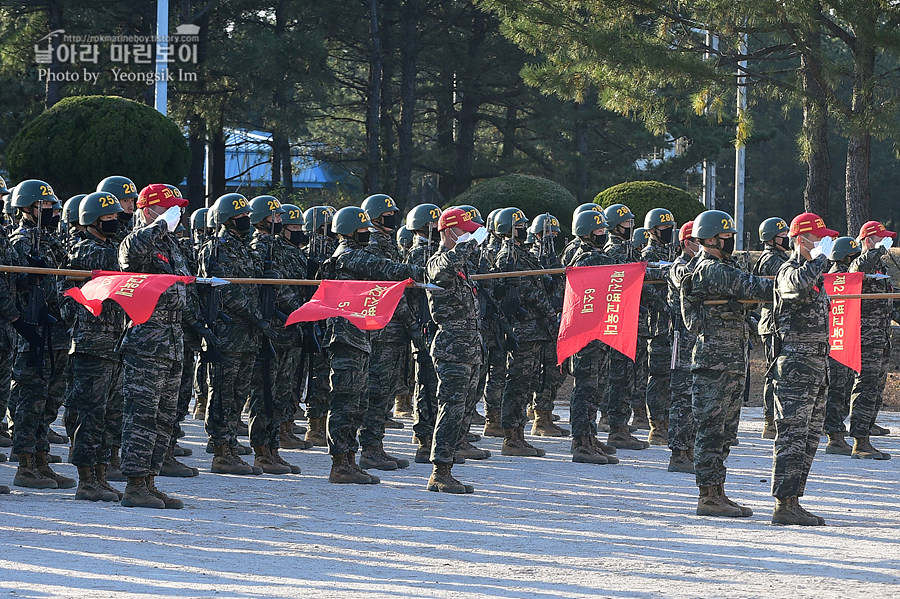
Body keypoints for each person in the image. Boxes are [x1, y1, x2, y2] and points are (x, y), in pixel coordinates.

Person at [681, 209, 772, 517]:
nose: (730, 241)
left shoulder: (723, 266)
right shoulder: (710, 268)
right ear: (709, 239)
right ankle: (706, 496)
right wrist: (792, 279)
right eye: (726, 237)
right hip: (714, 362)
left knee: (725, 431)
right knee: (710, 430)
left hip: (731, 360)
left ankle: (718, 491)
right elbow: (756, 287)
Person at [322, 206, 422, 484]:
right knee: (345, 402)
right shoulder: (349, 256)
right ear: (349, 232)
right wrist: (429, 272)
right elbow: (389, 269)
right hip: (346, 338)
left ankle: (350, 460)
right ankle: (340, 464)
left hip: (360, 337)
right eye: (363, 230)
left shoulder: (357, 255)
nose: (368, 233)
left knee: (357, 401)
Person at [117, 183, 193, 508]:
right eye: (169, 208)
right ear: (149, 210)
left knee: (164, 417)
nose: (176, 214)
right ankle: (134, 485)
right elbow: (128, 255)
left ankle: (150, 481)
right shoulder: (141, 240)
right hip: (147, 343)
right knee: (142, 416)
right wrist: (159, 225)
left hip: (172, 342)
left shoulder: (170, 245)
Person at [769, 212, 836, 526]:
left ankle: (794, 500)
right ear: (800, 239)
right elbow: (794, 286)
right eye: (818, 237)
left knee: (809, 438)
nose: (824, 242)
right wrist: (819, 260)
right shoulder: (790, 270)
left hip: (817, 365)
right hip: (796, 366)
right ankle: (783, 503)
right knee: (792, 437)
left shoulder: (816, 274)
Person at [9, 180, 74, 491]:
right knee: (31, 399)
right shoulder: (23, 241)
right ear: (27, 208)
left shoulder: (50, 240)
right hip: (32, 329)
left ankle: (42, 458)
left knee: (50, 399)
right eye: (45, 206)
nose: (52, 211)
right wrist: (27, 275)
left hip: (56, 330)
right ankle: (25, 464)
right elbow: (15, 286)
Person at [198, 193, 270, 476]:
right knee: (222, 394)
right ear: (227, 219)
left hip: (247, 335)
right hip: (228, 334)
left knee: (239, 394)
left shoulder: (245, 249)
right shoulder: (216, 249)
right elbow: (225, 291)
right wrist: (256, 316)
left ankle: (231, 444)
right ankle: (220, 451)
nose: (246, 221)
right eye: (240, 217)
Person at [66, 191, 128, 502]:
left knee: (110, 414)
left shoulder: (111, 247)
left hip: (114, 342)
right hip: (92, 344)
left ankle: (101, 474)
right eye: (108, 218)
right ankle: (86, 479)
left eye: (117, 217)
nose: (115, 222)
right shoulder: (87, 251)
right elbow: (116, 269)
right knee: (90, 415)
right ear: (91, 220)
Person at [424, 208, 488, 493]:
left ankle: (449, 464)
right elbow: (442, 272)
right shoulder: (438, 261)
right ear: (449, 231)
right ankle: (440, 471)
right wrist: (470, 244)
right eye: (465, 230)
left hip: (471, 347)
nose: (470, 234)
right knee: (451, 408)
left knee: (464, 410)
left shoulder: (464, 265)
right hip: (452, 348)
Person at [493, 207, 557, 458]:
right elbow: (524, 290)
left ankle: (519, 431)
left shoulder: (524, 254)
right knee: (518, 383)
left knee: (529, 382)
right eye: (518, 225)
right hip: (523, 328)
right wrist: (547, 309)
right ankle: (511, 435)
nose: (523, 229)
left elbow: (540, 283)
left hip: (535, 328)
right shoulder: (506, 256)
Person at [357, 193, 415, 469]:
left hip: (394, 330)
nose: (394, 217)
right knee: (376, 390)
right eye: (388, 213)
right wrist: (411, 322)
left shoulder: (388, 244)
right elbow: (390, 287)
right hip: (382, 330)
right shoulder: (373, 246)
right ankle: (369, 449)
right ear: (377, 216)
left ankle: (376, 445)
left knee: (386, 389)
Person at [565, 209, 619, 465]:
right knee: (586, 387)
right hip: (586, 333)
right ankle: (580, 441)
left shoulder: (596, 256)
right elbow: (615, 272)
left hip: (598, 330)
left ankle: (590, 436)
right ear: (586, 232)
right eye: (599, 231)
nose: (604, 235)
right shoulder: (586, 258)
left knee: (596, 387)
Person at [846, 220, 896, 459]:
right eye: (879, 239)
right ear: (868, 240)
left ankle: (868, 427)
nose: (884, 242)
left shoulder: (882, 267)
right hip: (865, 337)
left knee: (876, 386)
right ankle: (859, 440)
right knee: (864, 386)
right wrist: (875, 251)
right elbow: (858, 269)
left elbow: (888, 300)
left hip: (881, 336)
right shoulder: (860, 262)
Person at [602, 203, 649, 450]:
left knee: (628, 376)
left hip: (630, 321)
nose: (630, 227)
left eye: (631, 223)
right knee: (619, 377)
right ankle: (616, 428)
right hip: (617, 324)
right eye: (626, 223)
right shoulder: (612, 252)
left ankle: (620, 424)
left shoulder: (628, 250)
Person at [404, 203, 442, 463]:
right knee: (426, 384)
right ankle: (424, 438)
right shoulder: (417, 256)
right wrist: (414, 327)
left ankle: (436, 436)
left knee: (435, 383)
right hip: (422, 326)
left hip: (434, 325)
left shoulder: (437, 252)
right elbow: (408, 295)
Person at [528, 212, 568, 437]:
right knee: (539, 374)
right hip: (538, 323)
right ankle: (540, 417)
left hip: (555, 321)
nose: (551, 238)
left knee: (556, 371)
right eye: (546, 234)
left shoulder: (555, 259)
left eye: (554, 234)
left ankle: (544, 411)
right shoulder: (532, 259)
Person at [822, 237, 861, 455]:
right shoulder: (836, 278)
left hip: (845, 337)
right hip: (836, 341)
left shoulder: (849, 276)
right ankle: (834, 437)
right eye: (853, 255)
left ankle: (837, 432)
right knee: (836, 389)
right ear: (845, 256)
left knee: (844, 387)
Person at [641, 208, 677, 445]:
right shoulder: (646, 254)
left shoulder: (674, 253)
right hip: (658, 323)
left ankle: (670, 421)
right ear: (653, 231)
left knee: (674, 377)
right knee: (659, 375)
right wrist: (664, 307)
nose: (669, 233)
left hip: (676, 323)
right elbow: (645, 284)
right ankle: (657, 426)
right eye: (665, 229)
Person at [753, 217, 790, 439]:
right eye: (782, 235)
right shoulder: (771, 260)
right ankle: (769, 421)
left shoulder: (780, 258)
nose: (786, 238)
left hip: (779, 322)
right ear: (770, 238)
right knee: (774, 373)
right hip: (773, 322)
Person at [666, 221, 699, 473]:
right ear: (688, 243)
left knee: (695, 398)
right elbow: (689, 283)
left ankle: (690, 448)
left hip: (697, 340)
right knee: (682, 398)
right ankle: (678, 453)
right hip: (682, 340)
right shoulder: (680, 267)